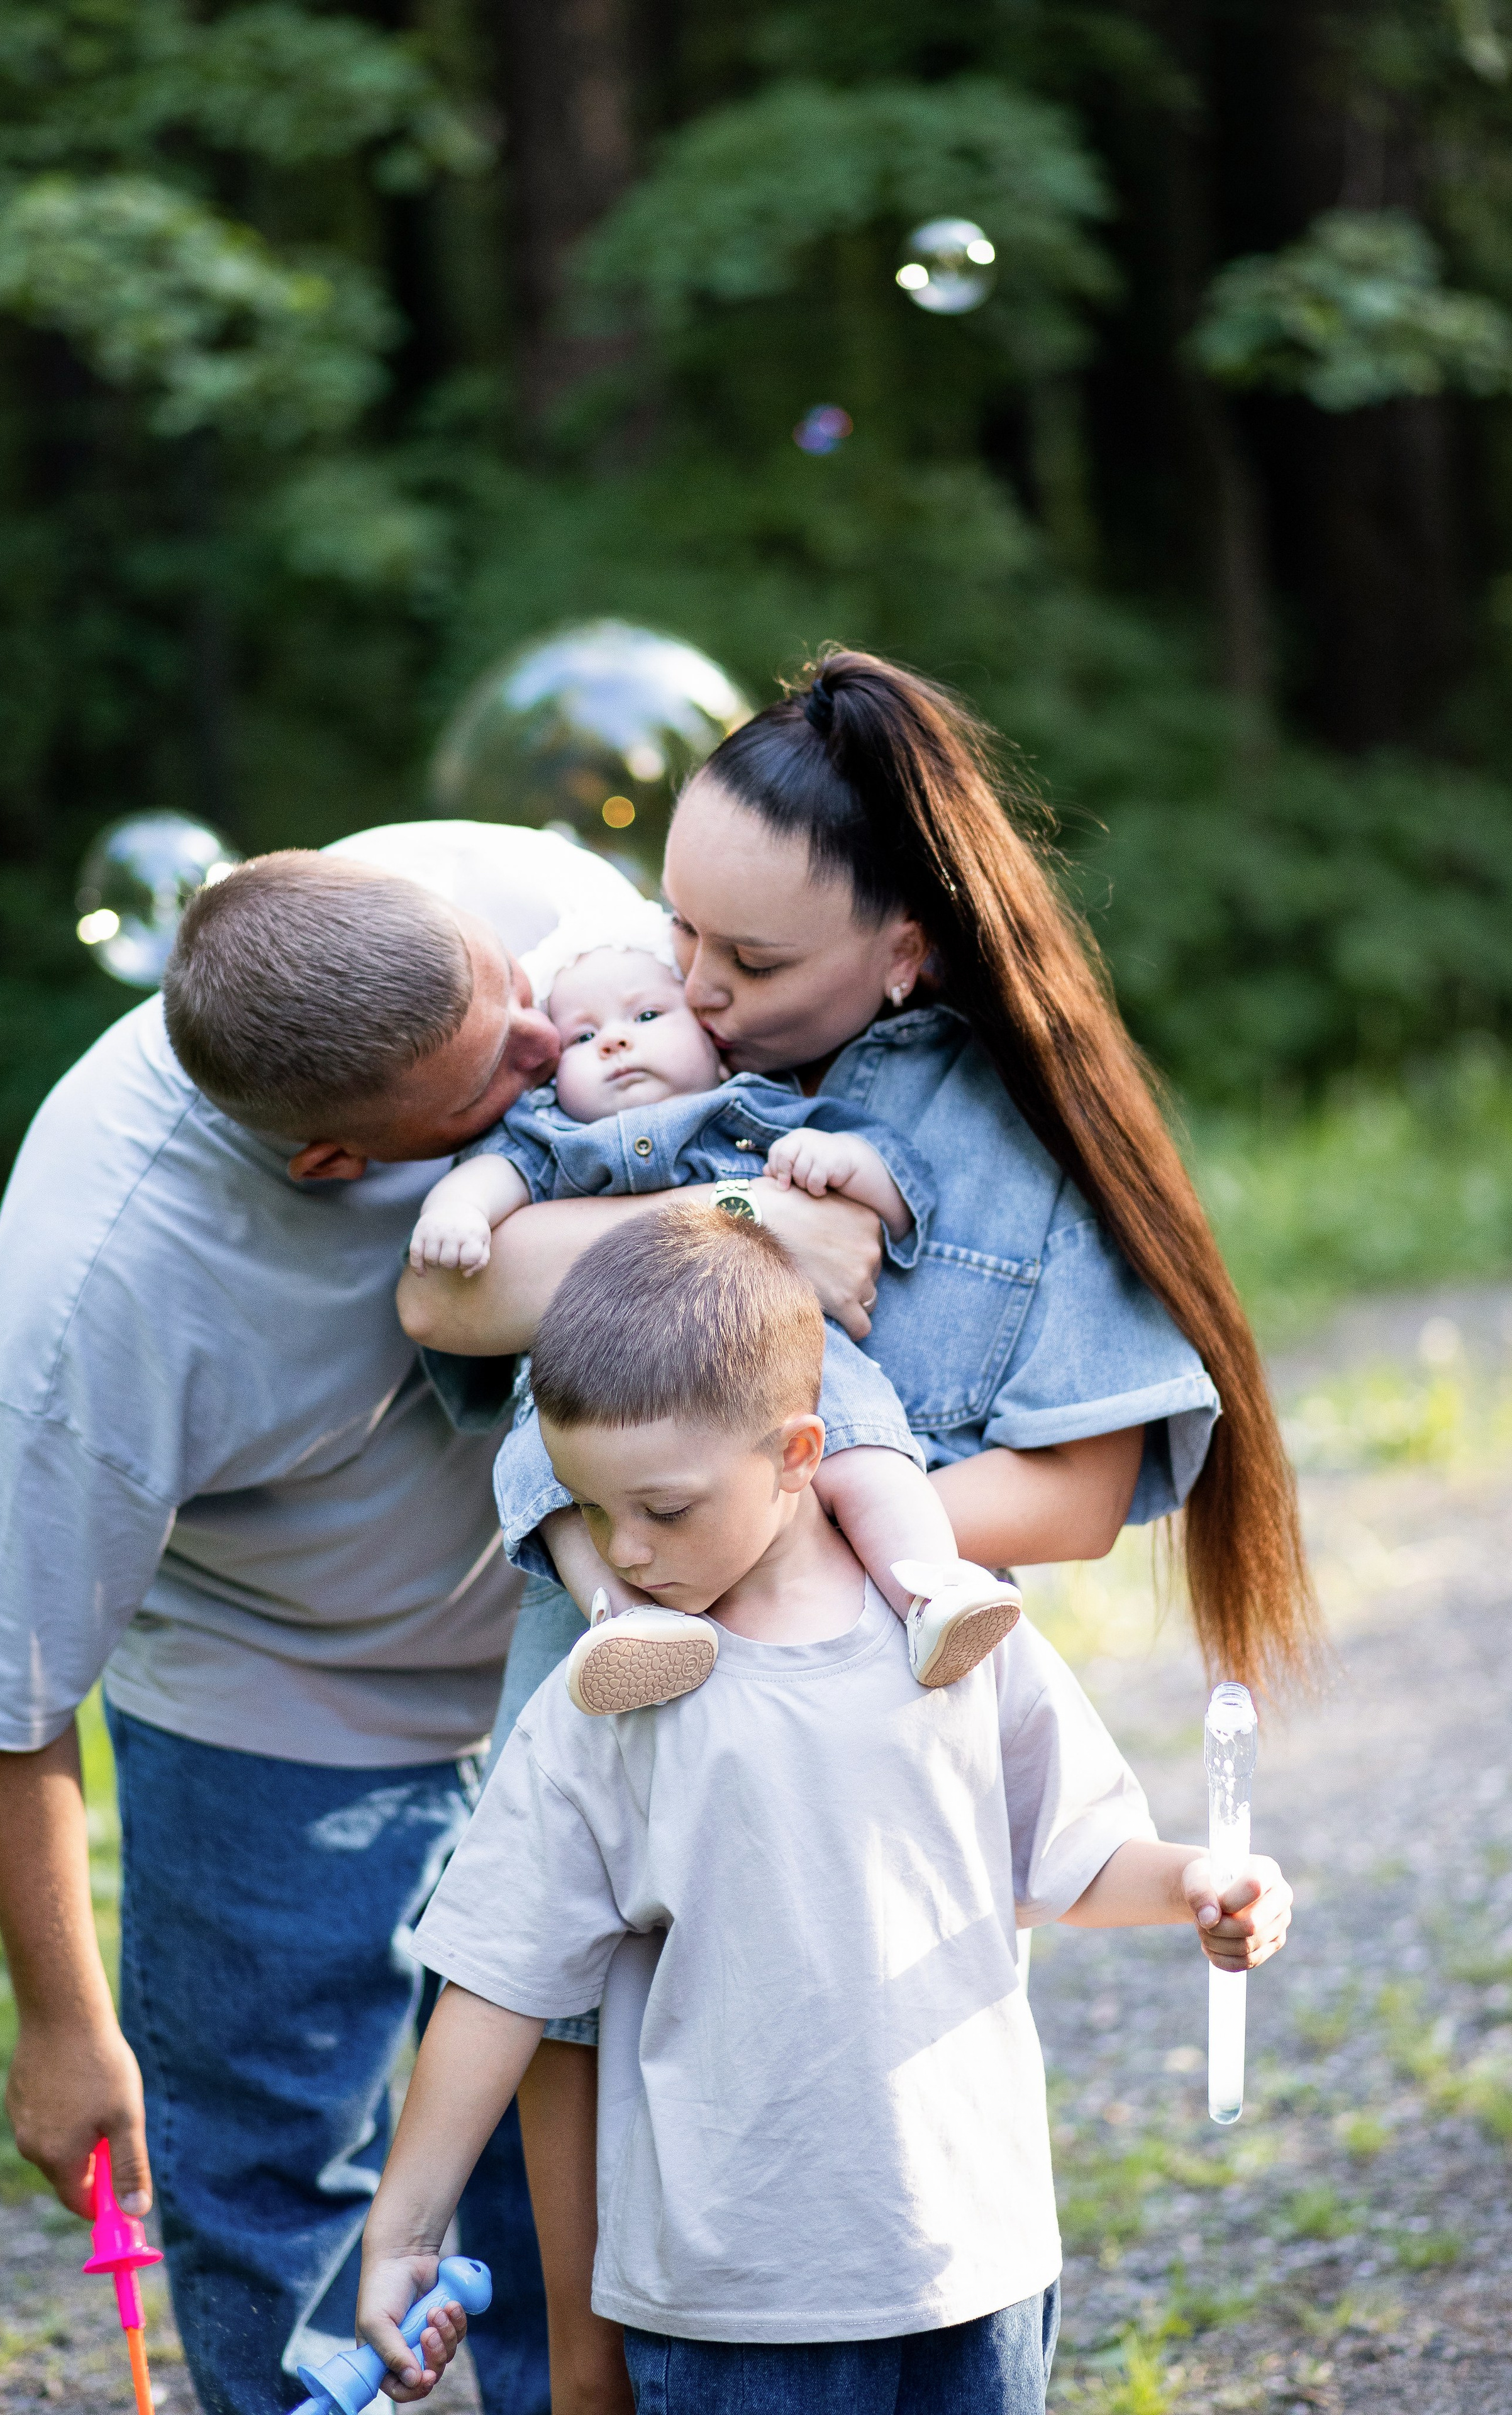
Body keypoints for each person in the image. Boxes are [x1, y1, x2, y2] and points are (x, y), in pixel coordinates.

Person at [396, 652, 1318, 2408]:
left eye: (749, 964)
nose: (694, 989)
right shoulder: (639, 1062)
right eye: (681, 931)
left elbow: (1078, 1489)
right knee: (572, 2155)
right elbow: (453, 1293)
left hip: (849, 1719)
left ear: (903, 951)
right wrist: (742, 1210)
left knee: (825, 2151)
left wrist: (779, 1550)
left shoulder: (1002, 1133)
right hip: (610, 1691)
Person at [0, 822, 887, 2415]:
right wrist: (60, 2022)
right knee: (275, 2157)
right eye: (489, 1079)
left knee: (559, 2135)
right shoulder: (96, 1300)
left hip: (573, 1645)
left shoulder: (521, 905)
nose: (551, 1050)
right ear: (338, 1164)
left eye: (515, 996)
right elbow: (0, 1698)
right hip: (285, 1691)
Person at [355, 1206, 1293, 2414]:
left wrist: (1197, 1885)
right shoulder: (607, 1708)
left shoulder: (956, 1642)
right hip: (733, 2306)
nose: (625, 1555)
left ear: (799, 1455)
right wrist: (404, 2233)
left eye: (665, 1510)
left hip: (975, 2260)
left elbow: (1076, 1853)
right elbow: (496, 1978)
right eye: (590, 1511)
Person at [412, 896, 1025, 1705]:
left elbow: (896, 1187)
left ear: (710, 1037)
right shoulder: (548, 1137)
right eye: (583, 1036)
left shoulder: (750, 1112)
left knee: (860, 1435)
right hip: (582, 1385)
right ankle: (628, 1627)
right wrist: (456, 1211)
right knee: (549, 1483)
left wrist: (840, 1161)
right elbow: (492, 1178)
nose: (615, 1041)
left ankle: (931, 1588)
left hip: (766, 1351)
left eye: (646, 1014)